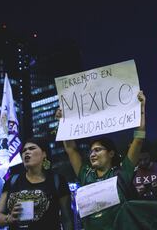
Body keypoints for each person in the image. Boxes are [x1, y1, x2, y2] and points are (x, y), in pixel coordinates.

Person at [56, 91, 146, 230]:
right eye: (91, 151)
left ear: (110, 153)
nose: (92, 154)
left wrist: (141, 109)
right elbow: (71, 149)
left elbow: (138, 140)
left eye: (98, 150)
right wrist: (62, 122)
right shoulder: (86, 174)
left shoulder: (122, 173)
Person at [0, 137, 73, 230]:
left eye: (32, 148)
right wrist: (8, 218)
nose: (26, 152)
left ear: (44, 154)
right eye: (24, 150)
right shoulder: (12, 181)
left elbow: (67, 219)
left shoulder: (58, 181)